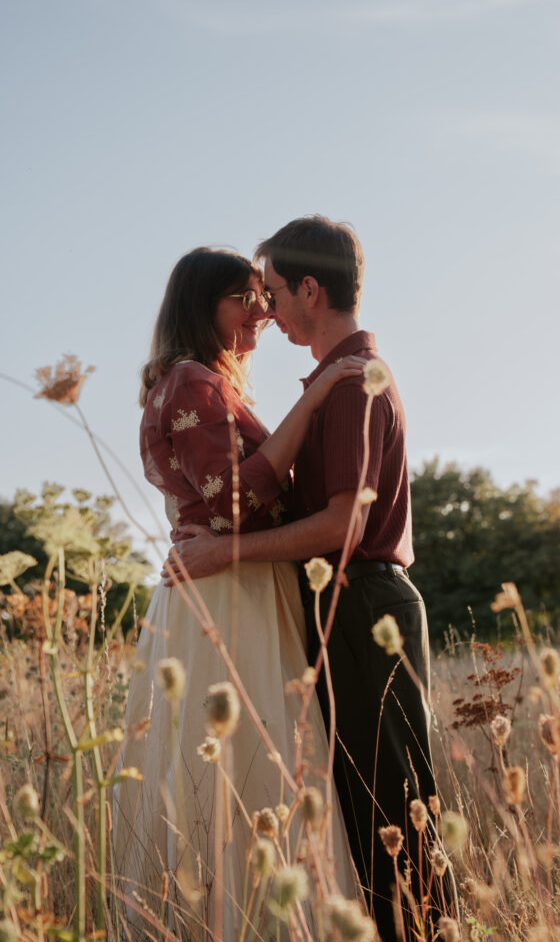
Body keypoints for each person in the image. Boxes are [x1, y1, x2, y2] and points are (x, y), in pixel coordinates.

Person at [165, 218, 439, 942]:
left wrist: (224, 554)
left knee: (393, 813)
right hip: (338, 607)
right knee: (361, 814)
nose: (266, 309)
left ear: (310, 290)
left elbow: (344, 527)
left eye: (274, 292)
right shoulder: (330, 382)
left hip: (363, 604)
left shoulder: (352, 385)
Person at [113, 246, 364, 939]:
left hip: (229, 584)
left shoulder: (196, 381)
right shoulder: (193, 380)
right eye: (241, 298)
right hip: (229, 590)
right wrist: (315, 397)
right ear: (201, 308)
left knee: (248, 765)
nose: (259, 311)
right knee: (252, 764)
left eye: (261, 295)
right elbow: (230, 505)